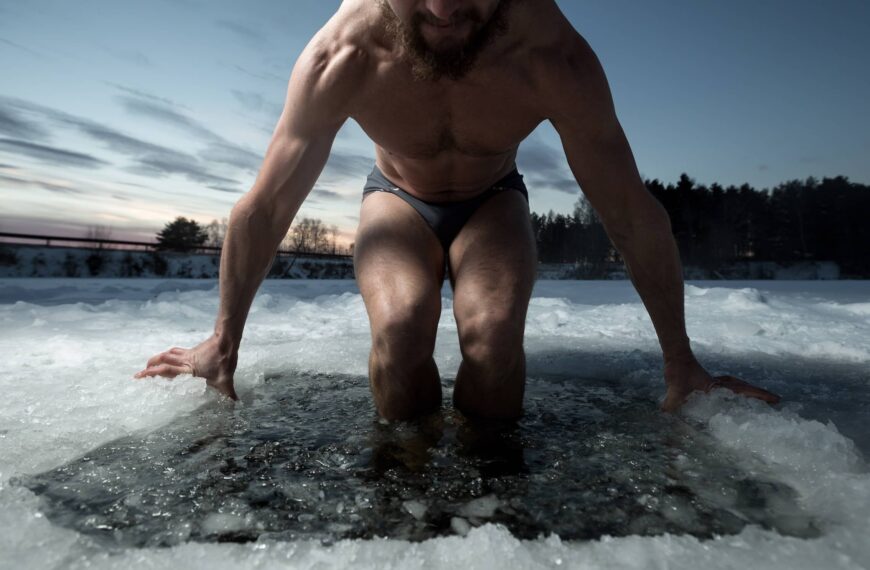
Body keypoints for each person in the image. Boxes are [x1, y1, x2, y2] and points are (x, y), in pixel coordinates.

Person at [135, 0, 780, 420]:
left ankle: (491, 479)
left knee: (494, 337)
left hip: (493, 201)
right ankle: (404, 474)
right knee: (399, 331)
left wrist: (681, 362)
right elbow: (267, 206)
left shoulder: (552, 56)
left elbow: (632, 213)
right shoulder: (344, 55)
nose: (443, 8)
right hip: (396, 200)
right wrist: (224, 340)